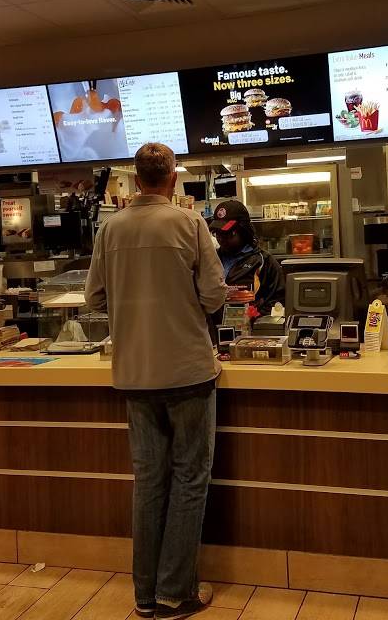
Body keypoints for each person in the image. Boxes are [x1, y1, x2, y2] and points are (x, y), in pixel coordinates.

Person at [85, 142, 225, 620]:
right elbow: (213, 295)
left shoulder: (110, 228)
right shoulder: (190, 223)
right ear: (172, 178)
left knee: (148, 481)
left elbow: (94, 298)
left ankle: (145, 595)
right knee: (190, 478)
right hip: (187, 370)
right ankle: (174, 593)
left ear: (137, 180)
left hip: (135, 374)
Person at [210, 199, 286, 314]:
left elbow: (277, 303)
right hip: (214, 325)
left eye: (227, 233)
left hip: (250, 324)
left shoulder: (263, 261)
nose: (221, 238)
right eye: (217, 232)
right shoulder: (211, 259)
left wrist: (254, 316)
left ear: (243, 230)